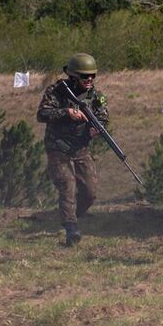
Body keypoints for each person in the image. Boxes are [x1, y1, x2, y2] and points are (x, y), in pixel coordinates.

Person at [36, 53, 108, 246]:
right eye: (85, 77)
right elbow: (42, 114)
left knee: (90, 191)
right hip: (58, 148)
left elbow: (103, 118)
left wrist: (97, 129)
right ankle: (71, 228)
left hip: (80, 149)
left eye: (93, 76)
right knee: (68, 185)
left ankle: (71, 215)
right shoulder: (57, 91)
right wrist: (66, 113)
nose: (90, 80)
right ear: (74, 76)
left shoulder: (96, 96)